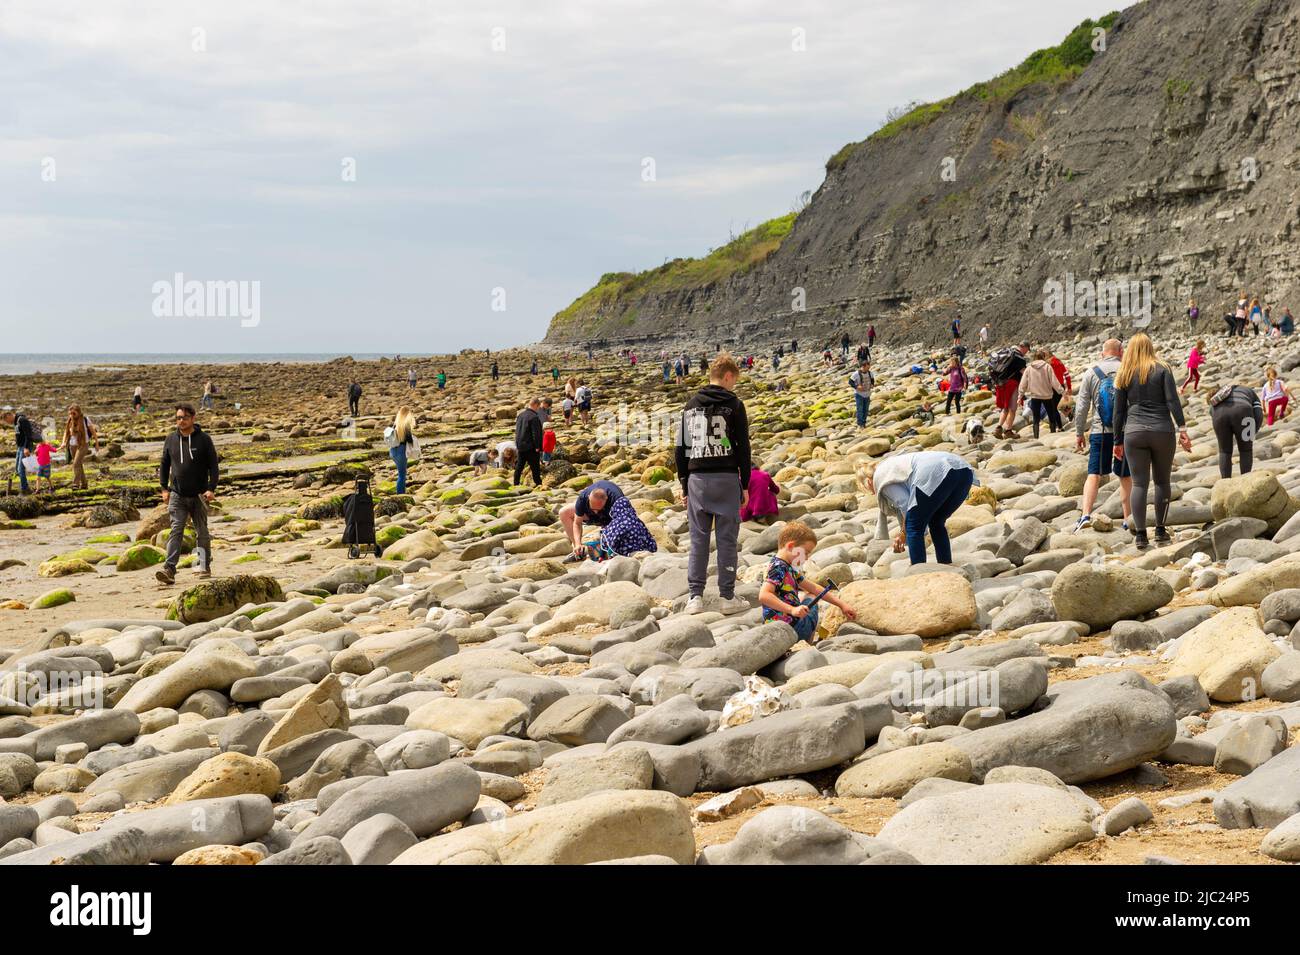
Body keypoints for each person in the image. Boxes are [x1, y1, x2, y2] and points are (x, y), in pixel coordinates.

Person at [676, 353, 751, 615]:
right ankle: (727, 596)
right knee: (727, 540)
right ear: (728, 376)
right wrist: (745, 484)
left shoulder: (690, 405)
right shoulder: (735, 405)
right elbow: (743, 447)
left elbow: (681, 448)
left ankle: (694, 597)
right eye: (734, 381)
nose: (733, 386)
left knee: (698, 540)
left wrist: (684, 484)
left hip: (697, 480)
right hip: (727, 478)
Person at [1113, 332, 1190, 550]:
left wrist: (1117, 441)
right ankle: (1160, 530)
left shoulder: (1124, 374)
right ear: (1150, 347)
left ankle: (1140, 536)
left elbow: (1118, 413)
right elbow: (1172, 400)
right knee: (1162, 482)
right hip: (1162, 431)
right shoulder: (1162, 368)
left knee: (1139, 483)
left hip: (1134, 433)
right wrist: (1182, 428)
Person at [866, 451, 978, 565]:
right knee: (936, 522)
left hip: (937, 471)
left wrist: (904, 533)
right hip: (963, 470)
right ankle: (946, 565)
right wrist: (904, 532)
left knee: (914, 527)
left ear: (868, 481)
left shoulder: (880, 479)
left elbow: (905, 504)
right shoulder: (892, 467)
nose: (871, 493)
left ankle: (919, 572)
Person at [759, 522, 857, 642]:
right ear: (791, 546)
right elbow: (764, 595)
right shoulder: (778, 568)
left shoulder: (787, 567)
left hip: (775, 627)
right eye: (805, 552)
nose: (806, 557)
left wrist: (842, 605)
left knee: (809, 594)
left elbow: (814, 588)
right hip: (793, 628)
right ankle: (808, 640)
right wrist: (792, 610)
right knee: (810, 596)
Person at [1073, 338, 1134, 533]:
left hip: (1100, 431)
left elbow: (1082, 406)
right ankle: (1128, 519)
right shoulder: (1128, 370)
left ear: (1102, 353)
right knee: (1125, 475)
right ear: (1121, 352)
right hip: (1124, 431)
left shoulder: (1092, 372)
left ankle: (1085, 515)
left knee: (1094, 474)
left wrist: (1079, 432)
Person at [156, 404, 218, 584]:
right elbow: (164, 464)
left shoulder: (204, 440)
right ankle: (169, 570)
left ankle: (204, 565)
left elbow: (213, 466)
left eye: (184, 418)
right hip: (177, 494)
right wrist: (164, 488)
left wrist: (211, 488)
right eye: (178, 418)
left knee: (202, 532)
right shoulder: (170, 439)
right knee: (176, 530)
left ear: (193, 418)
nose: (180, 421)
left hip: (199, 495)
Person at [1209, 384, 1263, 478]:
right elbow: (1258, 414)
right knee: (1246, 450)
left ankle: (1225, 483)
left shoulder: (1219, 396)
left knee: (1224, 452)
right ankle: (1245, 480)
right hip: (1243, 410)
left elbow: (1211, 412)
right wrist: (1252, 432)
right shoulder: (1249, 391)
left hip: (1218, 414)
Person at [990, 342, 1030, 439]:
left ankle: (998, 428)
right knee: (1012, 409)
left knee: (1005, 407)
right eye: (1027, 350)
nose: (1027, 352)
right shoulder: (1020, 358)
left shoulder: (1008, 353)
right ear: (1024, 348)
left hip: (1001, 383)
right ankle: (1008, 431)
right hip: (1012, 384)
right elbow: (1024, 374)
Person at [1021, 349, 1064, 438]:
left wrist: (1020, 395)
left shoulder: (1029, 368)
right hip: (1047, 396)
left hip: (1034, 396)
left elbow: (1023, 383)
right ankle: (1052, 435)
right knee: (1051, 415)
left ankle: (1036, 437)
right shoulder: (1047, 367)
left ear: (1034, 358)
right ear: (1043, 357)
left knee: (1036, 418)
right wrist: (1062, 392)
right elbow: (1054, 381)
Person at [61, 405, 98, 490]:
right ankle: (84, 484)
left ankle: (76, 484)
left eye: (74, 413)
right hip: (72, 445)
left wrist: (96, 444)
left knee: (76, 464)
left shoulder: (85, 419)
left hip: (83, 444)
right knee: (79, 465)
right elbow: (66, 433)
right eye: (70, 413)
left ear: (78, 412)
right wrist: (63, 442)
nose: (72, 415)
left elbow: (93, 432)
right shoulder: (70, 421)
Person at [3, 410, 36, 494]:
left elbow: (28, 435)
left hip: (25, 447)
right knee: (17, 469)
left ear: (9, 415)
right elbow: (20, 435)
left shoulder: (22, 420)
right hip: (20, 447)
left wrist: (26, 448)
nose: (7, 423)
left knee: (21, 469)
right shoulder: (16, 422)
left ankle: (25, 488)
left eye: (6, 420)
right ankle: (22, 485)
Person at [513, 398, 544, 486]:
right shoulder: (534, 417)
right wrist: (538, 446)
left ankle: (516, 483)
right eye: (538, 407)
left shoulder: (520, 415)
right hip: (531, 446)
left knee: (519, 466)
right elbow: (536, 433)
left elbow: (518, 430)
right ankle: (538, 483)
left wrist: (518, 444)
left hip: (520, 445)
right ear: (535, 405)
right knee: (535, 467)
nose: (538, 409)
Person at [386, 407, 417, 494]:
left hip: (393, 451)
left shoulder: (396, 424)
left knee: (401, 473)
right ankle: (400, 494)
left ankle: (401, 492)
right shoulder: (406, 424)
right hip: (401, 451)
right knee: (402, 474)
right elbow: (409, 439)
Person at [850, 360, 874, 427]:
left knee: (866, 410)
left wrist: (872, 384)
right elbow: (850, 382)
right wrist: (857, 387)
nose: (868, 369)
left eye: (869, 367)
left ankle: (864, 422)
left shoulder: (870, 373)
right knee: (860, 409)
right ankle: (860, 424)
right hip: (859, 394)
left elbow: (872, 379)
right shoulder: (856, 374)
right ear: (863, 366)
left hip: (867, 394)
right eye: (867, 367)